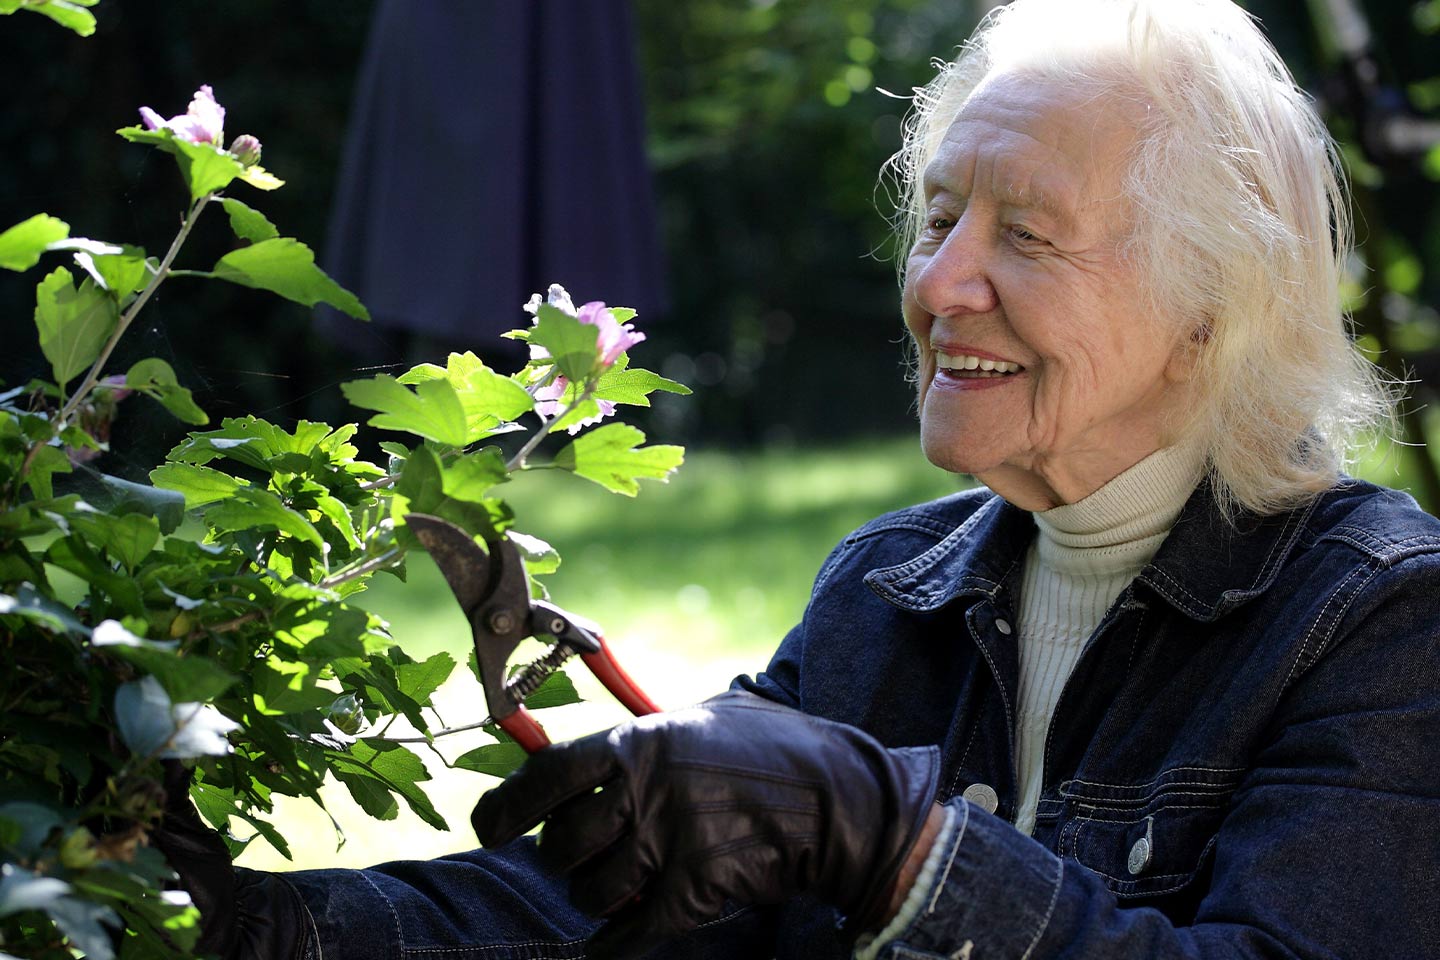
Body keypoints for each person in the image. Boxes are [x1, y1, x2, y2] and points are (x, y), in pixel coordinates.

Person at [159, 0, 1440, 957]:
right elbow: (618, 909)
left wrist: (903, 851)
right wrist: (276, 929)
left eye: (1028, 235)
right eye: (940, 219)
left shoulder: (1383, 625)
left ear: (1211, 312)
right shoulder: (888, 593)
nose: (939, 287)